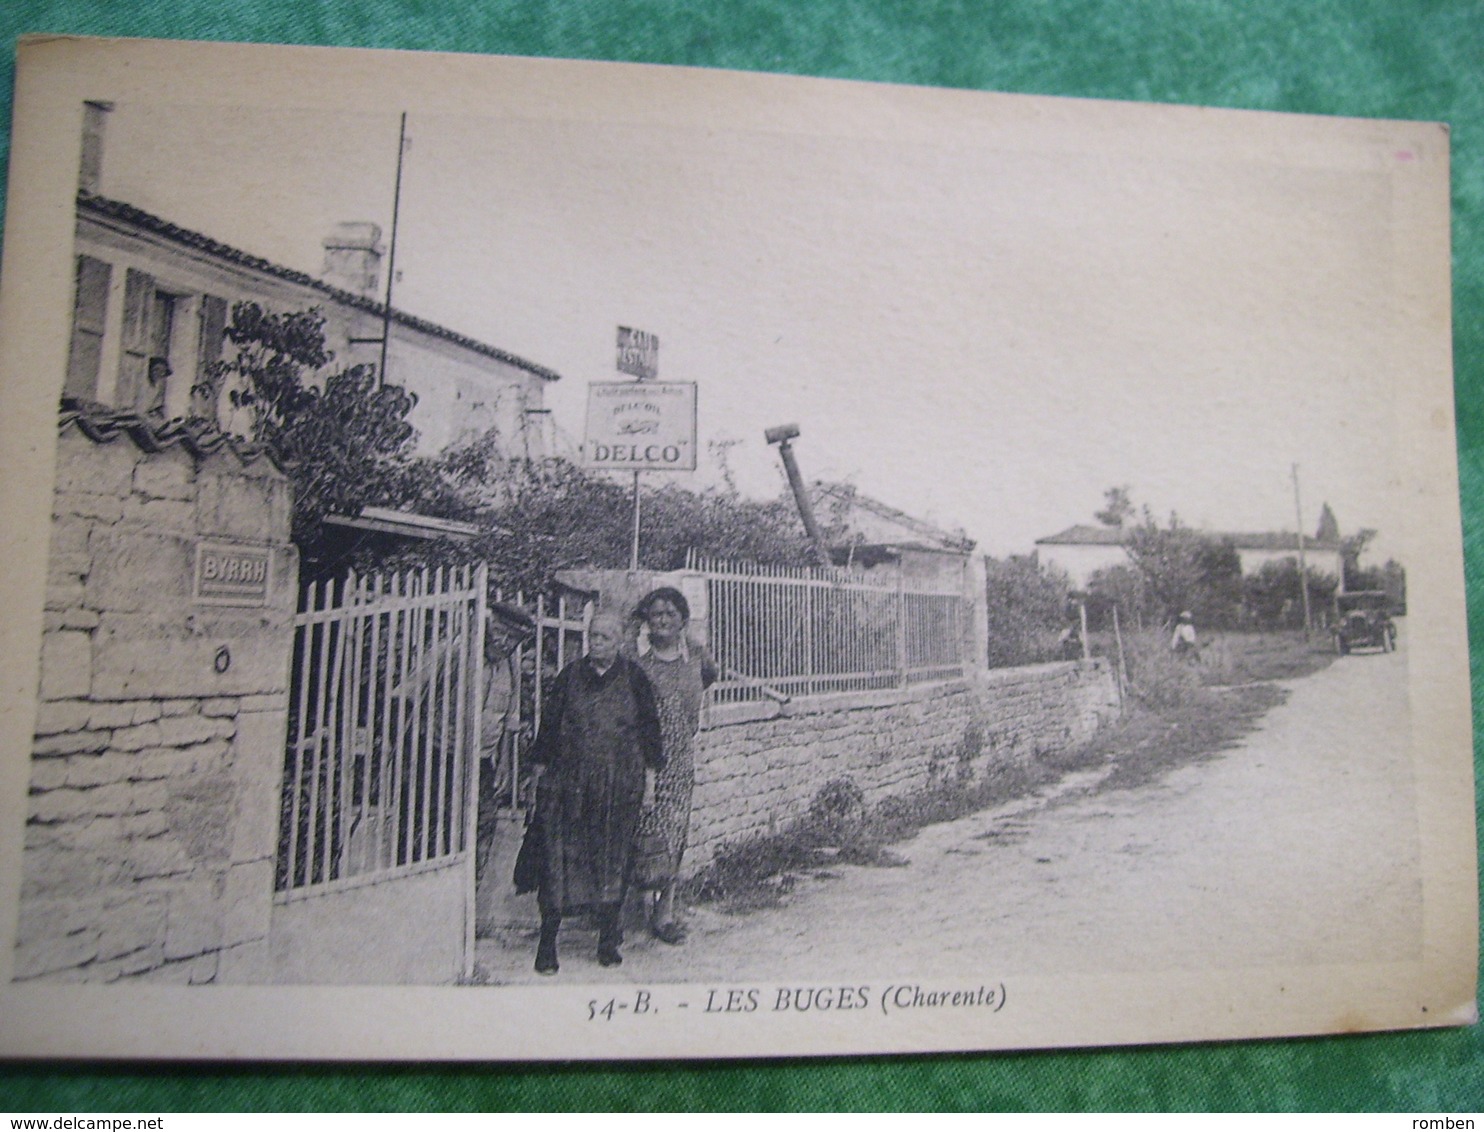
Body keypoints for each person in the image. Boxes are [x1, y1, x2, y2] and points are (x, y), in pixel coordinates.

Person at [528, 611, 663, 975]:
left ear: (619, 642)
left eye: (605, 637)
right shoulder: (570, 676)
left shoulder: (635, 678)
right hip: (568, 785)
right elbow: (549, 727)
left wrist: (649, 786)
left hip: (619, 787)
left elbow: (651, 736)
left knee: (613, 860)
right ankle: (547, 943)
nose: (597, 643)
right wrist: (538, 777)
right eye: (593, 636)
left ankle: (606, 940)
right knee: (558, 862)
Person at [631, 587, 718, 945]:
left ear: (683, 619)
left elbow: (709, 677)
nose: (662, 619)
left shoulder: (696, 658)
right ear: (647, 623)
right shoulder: (637, 664)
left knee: (674, 836)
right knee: (641, 833)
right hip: (644, 759)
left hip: (681, 761)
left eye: (670, 613)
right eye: (655, 614)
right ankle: (636, 911)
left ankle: (665, 913)